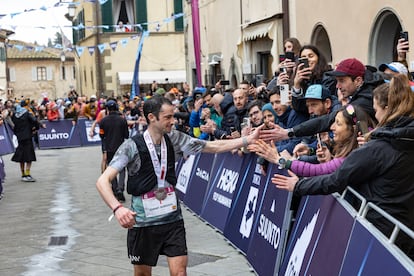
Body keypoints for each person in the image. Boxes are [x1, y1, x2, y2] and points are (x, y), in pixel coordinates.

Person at [96, 95, 259, 275]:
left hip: (172, 220)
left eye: (173, 116)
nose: (173, 121)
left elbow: (212, 147)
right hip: (143, 223)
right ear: (152, 118)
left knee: (180, 272)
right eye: (167, 117)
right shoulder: (131, 146)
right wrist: (118, 208)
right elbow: (102, 181)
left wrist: (247, 140)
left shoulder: (174, 139)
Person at [271, 74, 414, 259]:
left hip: (380, 230)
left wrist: (297, 185)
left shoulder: (378, 148)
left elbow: (336, 179)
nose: (375, 114)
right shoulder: (393, 141)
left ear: (387, 110)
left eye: (376, 109)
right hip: (403, 227)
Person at [260, 58, 382, 143]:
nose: (338, 86)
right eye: (337, 81)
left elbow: (329, 119)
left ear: (358, 81)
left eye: (342, 81)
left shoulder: (364, 100)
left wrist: (290, 132)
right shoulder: (363, 93)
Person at [249, 104, 374, 176]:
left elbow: (316, 171)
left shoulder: (356, 155)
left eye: (338, 124)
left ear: (352, 129)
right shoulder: (356, 147)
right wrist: (314, 152)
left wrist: (280, 160)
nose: (331, 128)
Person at [99, 99, 129, 202]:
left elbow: (102, 136)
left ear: (107, 109)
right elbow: (126, 135)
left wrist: (104, 151)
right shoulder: (122, 120)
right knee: (122, 170)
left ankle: (115, 190)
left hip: (109, 148)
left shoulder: (103, 121)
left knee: (112, 169)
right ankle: (121, 188)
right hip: (121, 147)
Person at [11, 101, 44, 182]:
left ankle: (23, 174)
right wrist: (36, 129)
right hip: (27, 137)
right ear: (25, 106)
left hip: (20, 138)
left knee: (21, 157)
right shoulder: (27, 113)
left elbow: (14, 127)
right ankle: (28, 174)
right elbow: (35, 121)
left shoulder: (15, 115)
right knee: (29, 156)